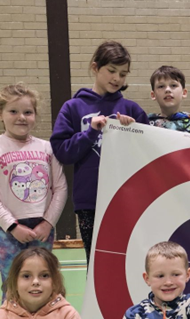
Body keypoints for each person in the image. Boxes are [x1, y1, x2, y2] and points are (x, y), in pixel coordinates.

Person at [50, 40, 148, 265]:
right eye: (111, 71)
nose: (117, 78)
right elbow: (62, 151)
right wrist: (90, 133)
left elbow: (147, 157)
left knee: (129, 264)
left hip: (126, 200)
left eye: (123, 74)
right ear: (95, 68)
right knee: (96, 266)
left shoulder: (133, 110)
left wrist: (133, 134)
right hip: (90, 202)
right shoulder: (73, 107)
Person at [0, 83, 67, 291]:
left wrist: (48, 223)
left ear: (35, 115)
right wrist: (12, 226)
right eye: (13, 111)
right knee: (14, 285)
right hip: (8, 230)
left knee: (43, 283)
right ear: (0, 114)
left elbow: (59, 188)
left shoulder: (47, 148)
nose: (21, 117)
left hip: (42, 229)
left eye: (28, 112)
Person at [147, 65, 190, 135]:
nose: (167, 90)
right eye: (161, 86)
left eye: (173, 85)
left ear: (184, 93)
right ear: (153, 95)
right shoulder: (146, 125)